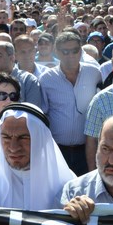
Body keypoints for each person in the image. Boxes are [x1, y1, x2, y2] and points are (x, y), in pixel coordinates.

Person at [0, 103, 75, 209]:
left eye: (23, 138)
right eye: (6, 137)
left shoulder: (67, 183)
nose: (13, 148)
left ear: (41, 140)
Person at [39, 32, 101, 175]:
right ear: (57, 52)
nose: (70, 55)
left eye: (75, 50)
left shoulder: (94, 73)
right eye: (65, 51)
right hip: (57, 151)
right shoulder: (46, 79)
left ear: (81, 50)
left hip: (88, 150)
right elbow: (43, 114)